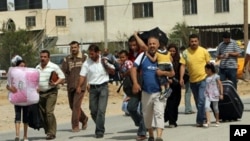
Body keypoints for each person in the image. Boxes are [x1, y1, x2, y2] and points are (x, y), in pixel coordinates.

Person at [131, 35, 175, 141]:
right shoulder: (142, 56)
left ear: (158, 45)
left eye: (154, 44)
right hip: (146, 91)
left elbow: (172, 73)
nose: (152, 46)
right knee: (147, 115)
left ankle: (159, 137)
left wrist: (162, 73)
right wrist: (135, 83)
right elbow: (133, 68)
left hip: (160, 92)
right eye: (150, 44)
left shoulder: (164, 56)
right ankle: (150, 134)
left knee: (159, 113)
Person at [76, 44, 115, 138]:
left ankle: (99, 131)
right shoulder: (87, 63)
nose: (91, 56)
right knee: (93, 111)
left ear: (98, 53)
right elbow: (82, 76)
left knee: (101, 110)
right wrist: (79, 86)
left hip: (103, 87)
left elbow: (113, 71)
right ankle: (100, 125)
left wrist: (106, 66)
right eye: (89, 54)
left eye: (92, 54)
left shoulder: (104, 60)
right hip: (93, 89)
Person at [179, 34, 211, 127]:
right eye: (192, 41)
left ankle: (200, 120)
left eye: (195, 41)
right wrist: (181, 78)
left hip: (203, 79)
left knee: (201, 100)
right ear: (189, 42)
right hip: (192, 81)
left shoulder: (204, 51)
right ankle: (204, 118)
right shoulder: (185, 53)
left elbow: (209, 64)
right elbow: (182, 66)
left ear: (198, 42)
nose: (193, 43)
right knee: (198, 102)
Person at [36, 50, 65, 140]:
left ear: (49, 58)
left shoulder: (54, 67)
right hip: (40, 94)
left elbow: (62, 77)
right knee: (42, 113)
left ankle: (52, 133)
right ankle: (48, 130)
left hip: (51, 92)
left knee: (49, 112)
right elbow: (34, 79)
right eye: (41, 57)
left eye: (45, 57)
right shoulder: (37, 67)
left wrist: (56, 83)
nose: (43, 58)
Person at [61, 41, 88, 132]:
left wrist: (88, 84)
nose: (73, 49)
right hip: (70, 86)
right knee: (72, 106)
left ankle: (75, 125)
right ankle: (84, 119)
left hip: (81, 86)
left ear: (78, 47)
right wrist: (62, 80)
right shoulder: (67, 59)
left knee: (76, 106)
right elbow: (63, 71)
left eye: (75, 47)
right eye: (72, 48)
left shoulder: (84, 58)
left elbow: (88, 71)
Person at [125, 34, 147, 140]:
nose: (133, 47)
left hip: (144, 82)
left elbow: (144, 47)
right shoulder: (129, 56)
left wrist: (135, 35)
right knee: (131, 108)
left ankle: (142, 132)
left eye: (135, 45)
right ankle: (141, 124)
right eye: (131, 45)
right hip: (133, 84)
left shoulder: (143, 53)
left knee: (143, 109)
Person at [6, 60, 29, 141]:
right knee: (17, 116)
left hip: (26, 99)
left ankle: (25, 136)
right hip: (17, 99)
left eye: (24, 66)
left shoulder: (28, 75)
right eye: (21, 65)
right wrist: (11, 89)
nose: (22, 67)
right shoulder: (13, 76)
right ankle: (17, 135)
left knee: (26, 118)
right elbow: (8, 86)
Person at [164, 44, 182, 128]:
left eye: (173, 51)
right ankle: (171, 121)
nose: (172, 52)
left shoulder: (179, 60)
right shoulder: (164, 60)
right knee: (170, 102)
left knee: (176, 102)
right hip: (168, 84)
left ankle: (173, 120)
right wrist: (167, 79)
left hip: (177, 84)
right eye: (170, 51)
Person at [203, 63, 223, 127]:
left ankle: (217, 120)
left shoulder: (216, 76)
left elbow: (220, 85)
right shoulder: (206, 77)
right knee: (206, 106)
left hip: (215, 94)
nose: (205, 71)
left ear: (210, 70)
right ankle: (208, 121)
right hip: (207, 94)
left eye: (206, 70)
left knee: (215, 108)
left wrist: (221, 94)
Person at [180, 46, 194, 114]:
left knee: (188, 92)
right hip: (189, 76)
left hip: (192, 76)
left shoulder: (184, 55)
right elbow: (183, 67)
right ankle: (188, 109)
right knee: (188, 92)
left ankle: (188, 109)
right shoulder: (185, 55)